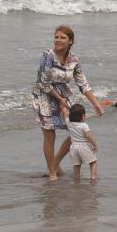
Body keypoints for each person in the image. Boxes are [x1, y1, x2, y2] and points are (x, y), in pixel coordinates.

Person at [33, 25, 104, 181]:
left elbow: (82, 83)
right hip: (45, 95)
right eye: (56, 37)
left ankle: (55, 163)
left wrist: (96, 103)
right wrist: (59, 100)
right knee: (49, 134)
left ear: (70, 41)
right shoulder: (48, 56)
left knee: (75, 131)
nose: (58, 40)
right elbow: (43, 83)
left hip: (64, 94)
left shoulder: (73, 59)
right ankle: (52, 172)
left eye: (62, 38)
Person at [60, 104, 99, 182]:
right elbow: (88, 135)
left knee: (76, 165)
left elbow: (64, 113)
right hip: (83, 146)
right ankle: (93, 177)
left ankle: (76, 179)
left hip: (73, 147)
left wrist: (63, 105)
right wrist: (95, 144)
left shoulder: (68, 123)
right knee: (93, 162)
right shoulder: (84, 125)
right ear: (82, 116)